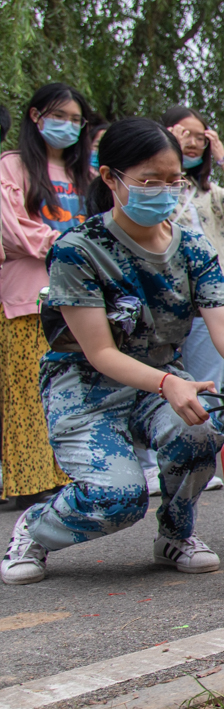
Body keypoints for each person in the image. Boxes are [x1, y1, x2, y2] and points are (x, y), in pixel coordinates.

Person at [0, 117, 224, 586]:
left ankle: (176, 535)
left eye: (173, 181)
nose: (163, 191)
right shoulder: (78, 250)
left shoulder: (193, 249)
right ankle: (37, 529)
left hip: (160, 384)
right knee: (120, 498)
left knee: (203, 429)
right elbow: (100, 351)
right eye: (148, 181)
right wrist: (167, 382)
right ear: (109, 178)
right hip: (85, 389)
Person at [0, 83, 93, 509]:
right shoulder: (13, 167)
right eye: (61, 117)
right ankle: (29, 483)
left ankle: (72, 476)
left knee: (72, 391)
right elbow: (12, 228)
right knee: (26, 395)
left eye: (77, 120)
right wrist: (66, 241)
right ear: (36, 117)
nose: (69, 126)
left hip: (79, 297)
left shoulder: (86, 175)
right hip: (26, 298)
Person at [163, 107, 224, 407]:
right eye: (184, 134)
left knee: (207, 384)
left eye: (201, 138)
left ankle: (204, 447)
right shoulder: (155, 190)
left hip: (209, 303)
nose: (193, 143)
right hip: (165, 297)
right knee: (162, 381)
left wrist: (223, 158)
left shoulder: (211, 194)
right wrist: (165, 150)